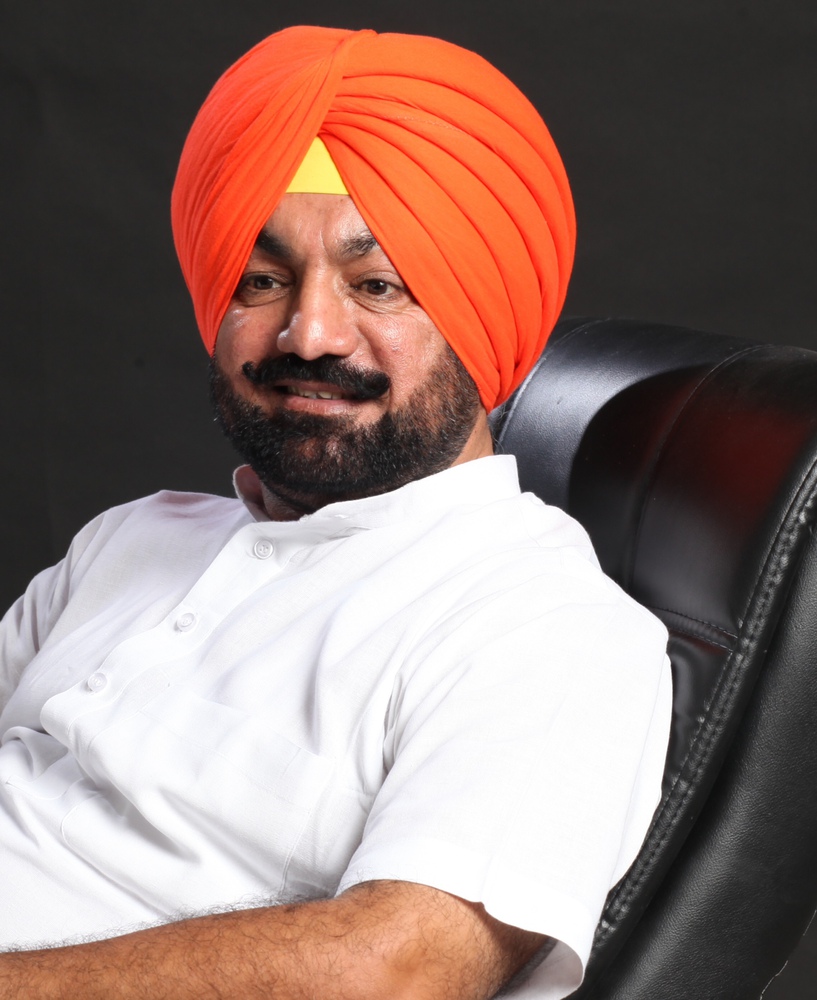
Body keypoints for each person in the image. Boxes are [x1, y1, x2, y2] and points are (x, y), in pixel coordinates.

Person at [0, 25, 672, 1000]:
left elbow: (396, 972)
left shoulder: (545, 627)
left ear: (483, 320)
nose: (309, 334)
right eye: (264, 280)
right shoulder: (132, 539)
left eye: (377, 285)